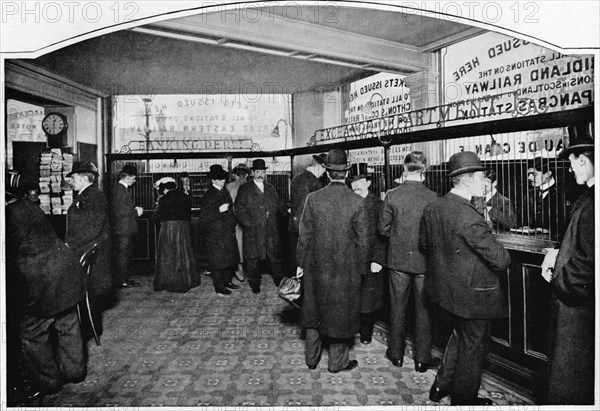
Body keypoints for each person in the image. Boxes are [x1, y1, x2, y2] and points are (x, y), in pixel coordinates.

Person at [420, 151, 510, 406]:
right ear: (469, 179)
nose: (485, 181)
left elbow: (424, 244)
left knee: (460, 337)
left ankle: (440, 387)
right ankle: (463, 399)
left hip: (445, 293)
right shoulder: (470, 216)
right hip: (473, 297)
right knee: (473, 348)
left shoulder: (434, 207)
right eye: (482, 177)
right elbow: (502, 260)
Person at [6, 186, 87, 400]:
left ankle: (47, 381)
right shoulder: (28, 205)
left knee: (31, 331)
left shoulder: (9, 214)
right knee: (67, 322)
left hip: (43, 279)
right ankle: (75, 371)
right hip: (66, 272)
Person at [297, 149, 370, 373]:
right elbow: (364, 242)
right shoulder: (357, 202)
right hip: (344, 270)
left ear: (327, 173)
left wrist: (300, 264)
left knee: (313, 312)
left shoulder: (313, 199)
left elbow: (304, 236)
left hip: (315, 267)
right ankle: (337, 363)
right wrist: (361, 270)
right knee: (340, 314)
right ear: (346, 173)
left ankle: (311, 359)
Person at [540, 136, 594, 404]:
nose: (571, 171)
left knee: (570, 377)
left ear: (583, 160)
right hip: (577, 307)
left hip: (577, 309)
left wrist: (560, 280)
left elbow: (588, 262)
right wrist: (558, 253)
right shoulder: (589, 195)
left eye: (572, 165)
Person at [378, 151, 440, 371]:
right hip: (424, 263)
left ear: (404, 169)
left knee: (397, 307)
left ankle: (396, 354)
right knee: (424, 311)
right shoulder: (433, 197)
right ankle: (422, 359)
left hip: (397, 261)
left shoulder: (392, 195)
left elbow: (383, 230)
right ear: (425, 169)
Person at [65, 161, 113, 338]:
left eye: (74, 177)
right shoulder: (87, 195)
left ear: (85, 178)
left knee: (89, 293)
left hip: (90, 252)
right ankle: (88, 328)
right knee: (88, 293)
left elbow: (92, 228)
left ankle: (89, 330)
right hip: (86, 250)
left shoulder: (94, 196)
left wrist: (70, 244)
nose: (71, 181)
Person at [349, 163, 387, 345]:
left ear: (369, 183)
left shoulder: (379, 205)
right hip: (350, 258)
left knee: (368, 299)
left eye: (360, 181)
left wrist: (378, 259)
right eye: (352, 182)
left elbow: (383, 235)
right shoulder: (346, 202)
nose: (355, 185)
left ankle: (365, 333)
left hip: (370, 258)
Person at [234, 159, 285, 294]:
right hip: (253, 231)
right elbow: (239, 209)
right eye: (257, 172)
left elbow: (277, 205)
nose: (260, 174)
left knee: (275, 257)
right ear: (253, 173)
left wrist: (281, 212)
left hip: (270, 230)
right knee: (252, 259)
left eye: (263, 171)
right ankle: (254, 284)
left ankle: (279, 281)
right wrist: (248, 224)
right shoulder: (245, 189)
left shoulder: (270, 188)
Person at [199, 164, 240, 295]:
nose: (223, 180)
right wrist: (218, 210)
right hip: (216, 234)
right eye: (220, 178)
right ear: (213, 180)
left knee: (230, 258)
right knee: (218, 261)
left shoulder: (224, 191)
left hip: (227, 231)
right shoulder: (209, 195)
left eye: (224, 178)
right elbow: (204, 217)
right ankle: (219, 286)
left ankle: (227, 281)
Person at [153, 180, 200, 293]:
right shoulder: (185, 197)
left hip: (168, 228)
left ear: (165, 189)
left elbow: (157, 216)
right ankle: (187, 281)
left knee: (167, 254)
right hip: (184, 227)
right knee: (184, 253)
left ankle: (167, 281)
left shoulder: (163, 199)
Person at [288, 153, 326, 272]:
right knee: (307, 263)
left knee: (298, 261)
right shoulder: (313, 182)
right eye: (325, 169)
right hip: (306, 229)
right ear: (320, 166)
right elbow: (305, 209)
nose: (324, 173)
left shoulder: (297, 178)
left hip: (295, 227)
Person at [109, 164, 144, 288]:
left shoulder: (119, 189)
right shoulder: (120, 190)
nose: (135, 181)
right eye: (134, 178)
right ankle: (122, 280)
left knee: (123, 254)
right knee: (123, 255)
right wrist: (137, 212)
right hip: (123, 229)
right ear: (128, 177)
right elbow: (122, 211)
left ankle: (123, 279)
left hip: (122, 228)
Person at [226, 163, 250, 282]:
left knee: (238, 244)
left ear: (235, 174)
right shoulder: (250, 186)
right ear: (247, 174)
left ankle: (239, 269)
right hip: (249, 220)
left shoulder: (229, 187)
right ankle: (249, 269)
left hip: (234, 220)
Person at [525, 156, 560, 236]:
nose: (529, 178)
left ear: (548, 174)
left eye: (533, 174)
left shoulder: (562, 193)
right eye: (528, 174)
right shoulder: (530, 194)